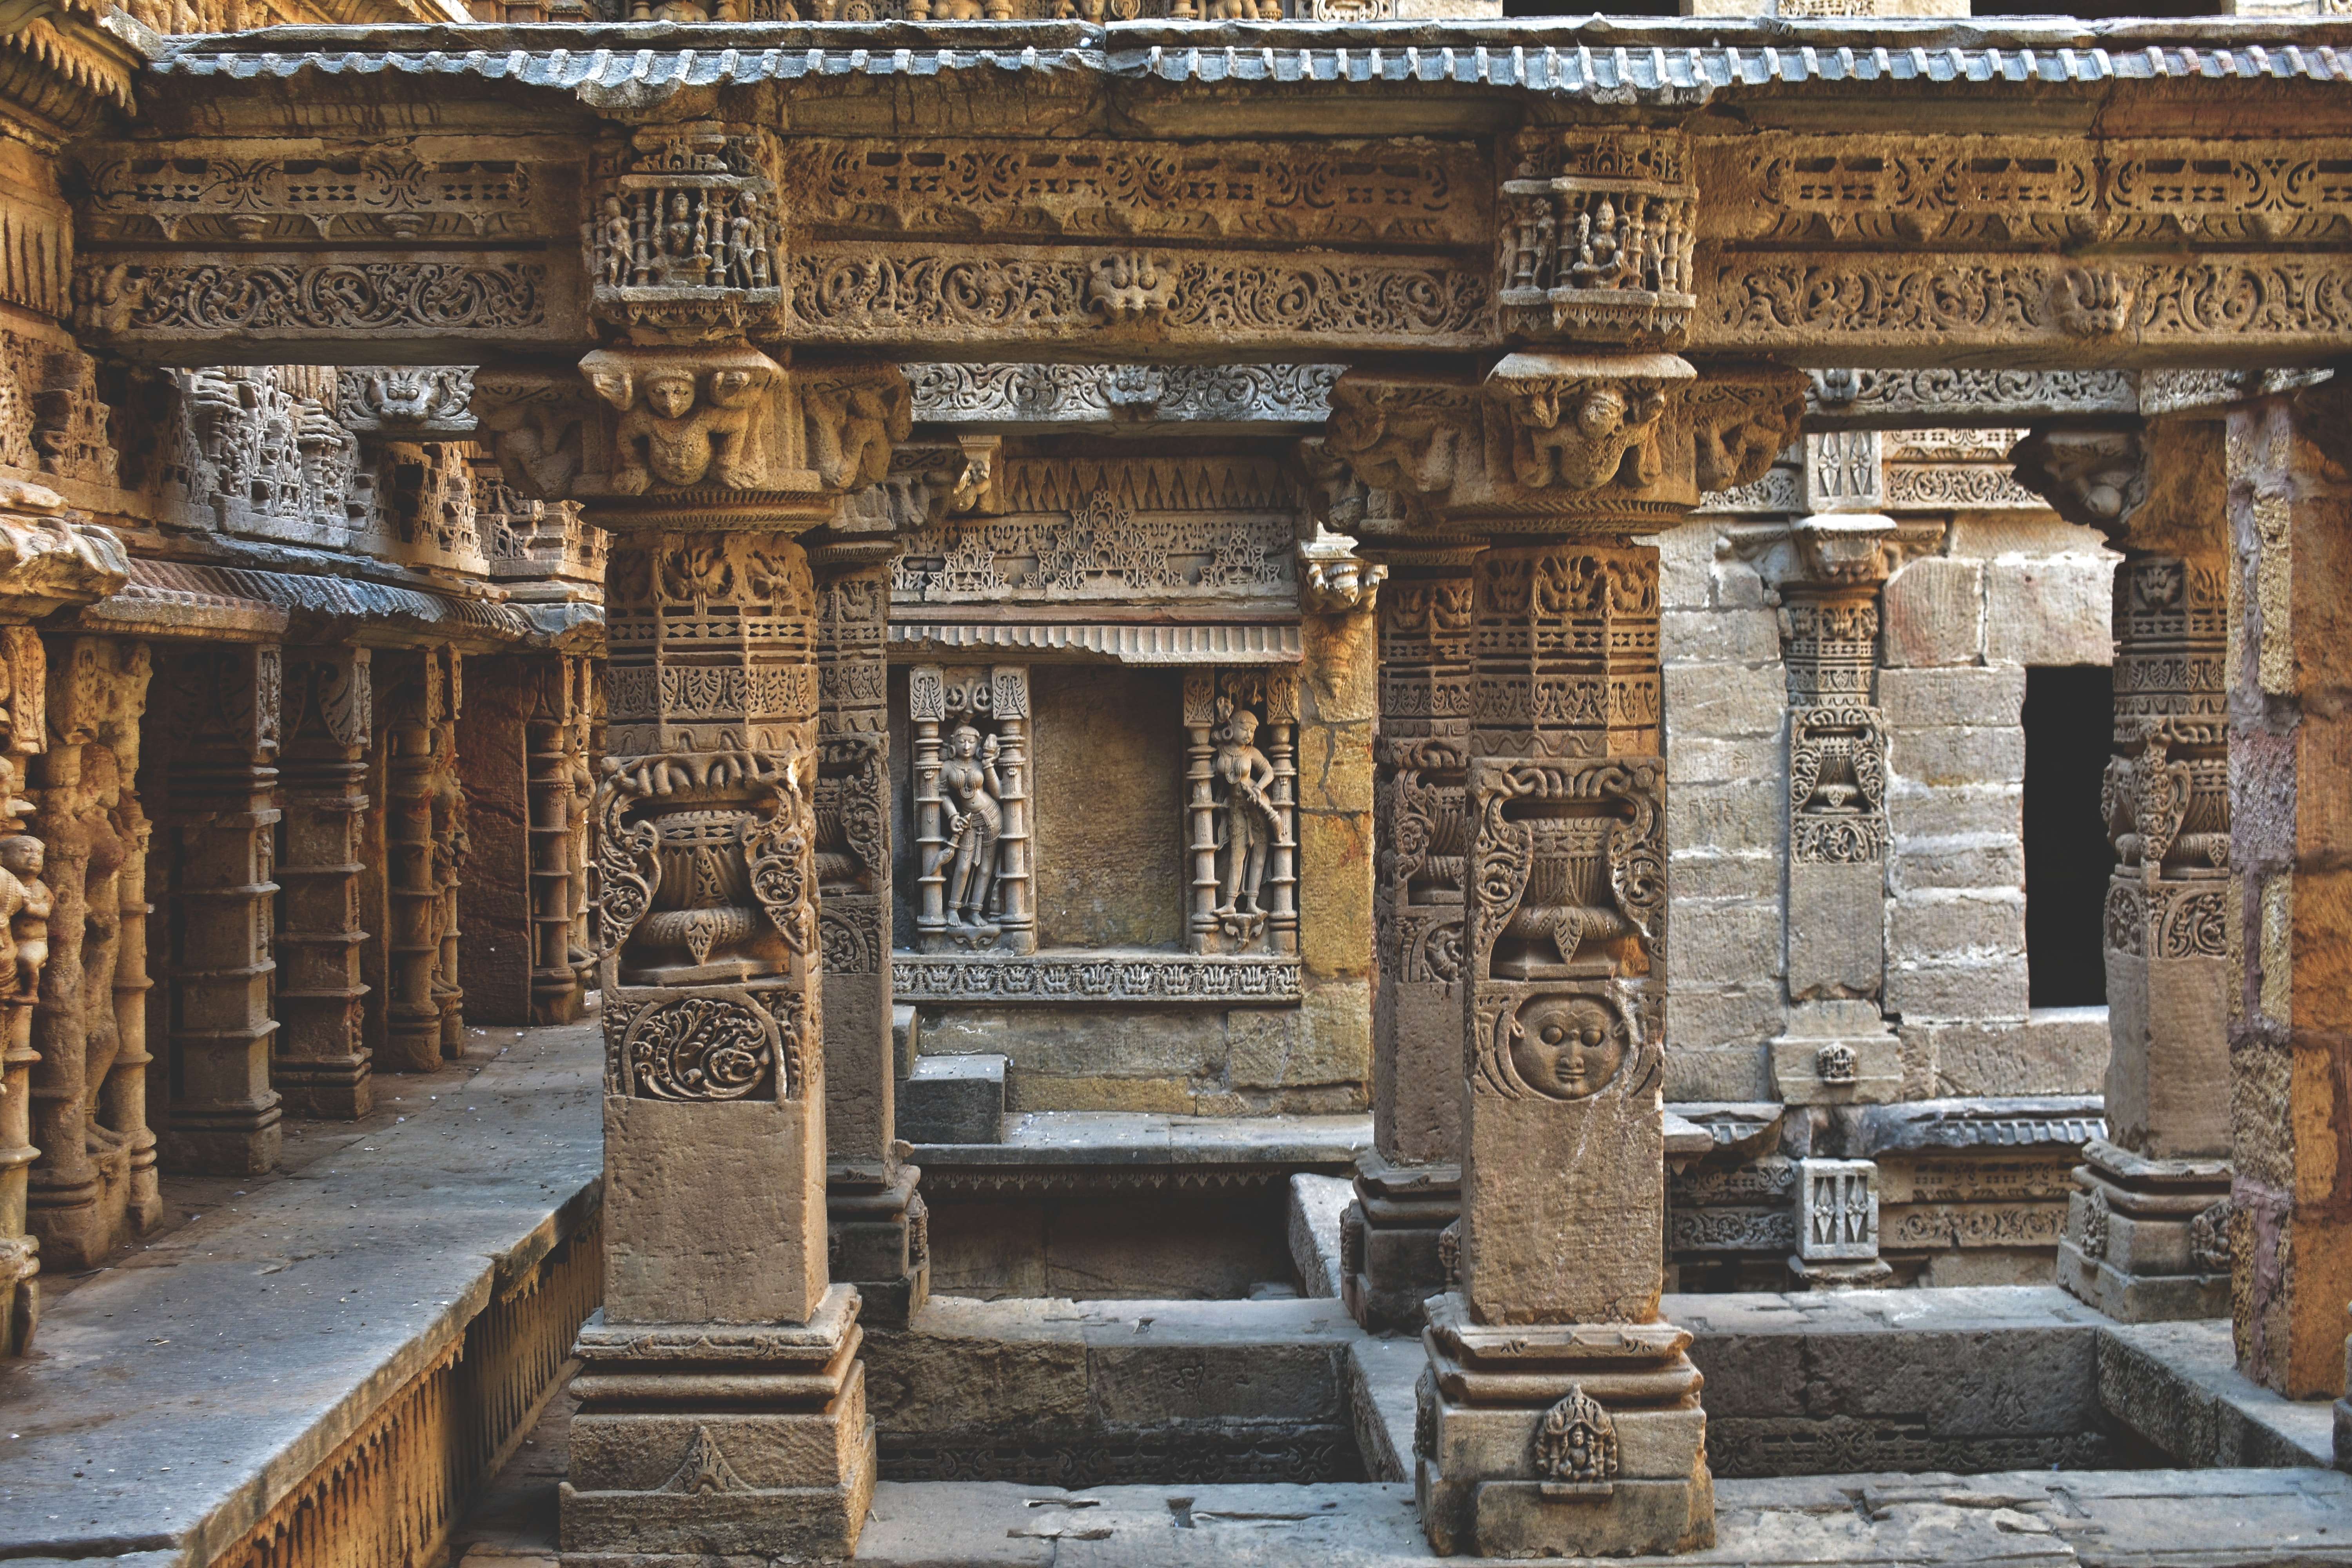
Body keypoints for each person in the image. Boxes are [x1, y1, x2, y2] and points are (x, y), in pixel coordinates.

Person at [1212, 708, 1278, 919]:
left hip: (1256, 805)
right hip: (1235, 806)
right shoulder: (1222, 750)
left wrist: (1258, 788)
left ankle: (1252, 902)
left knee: (1259, 852)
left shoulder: (1252, 753)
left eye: (1253, 731)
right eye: (1245, 729)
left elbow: (1269, 771)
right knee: (1237, 854)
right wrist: (1223, 725)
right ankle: (1230, 903)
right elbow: (1213, 740)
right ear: (1233, 728)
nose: (1249, 735)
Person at [938, 724, 1003, 929]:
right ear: (953, 743)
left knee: (986, 869)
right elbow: (941, 795)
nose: (966, 746)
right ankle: (953, 909)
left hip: (992, 817)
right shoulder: (948, 767)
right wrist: (953, 816)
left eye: (971, 742)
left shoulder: (980, 764)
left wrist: (989, 765)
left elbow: (999, 794)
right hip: (967, 820)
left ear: (978, 744)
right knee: (963, 866)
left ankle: (976, 911)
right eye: (961, 742)